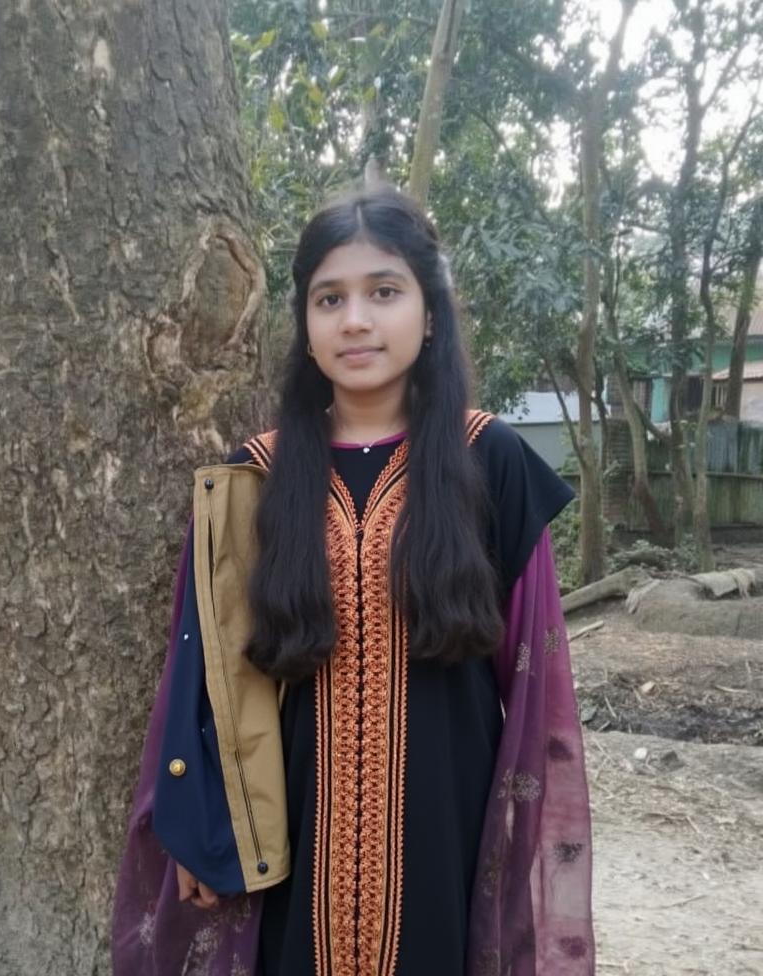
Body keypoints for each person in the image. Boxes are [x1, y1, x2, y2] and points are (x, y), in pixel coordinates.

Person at [112, 185, 595, 976]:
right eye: (329, 298)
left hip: (449, 831)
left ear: (429, 314)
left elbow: (537, 686)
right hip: (290, 835)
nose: (356, 320)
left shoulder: (491, 463)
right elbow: (202, 669)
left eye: (384, 291)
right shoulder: (255, 477)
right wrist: (194, 817)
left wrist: (520, 855)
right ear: (305, 326)